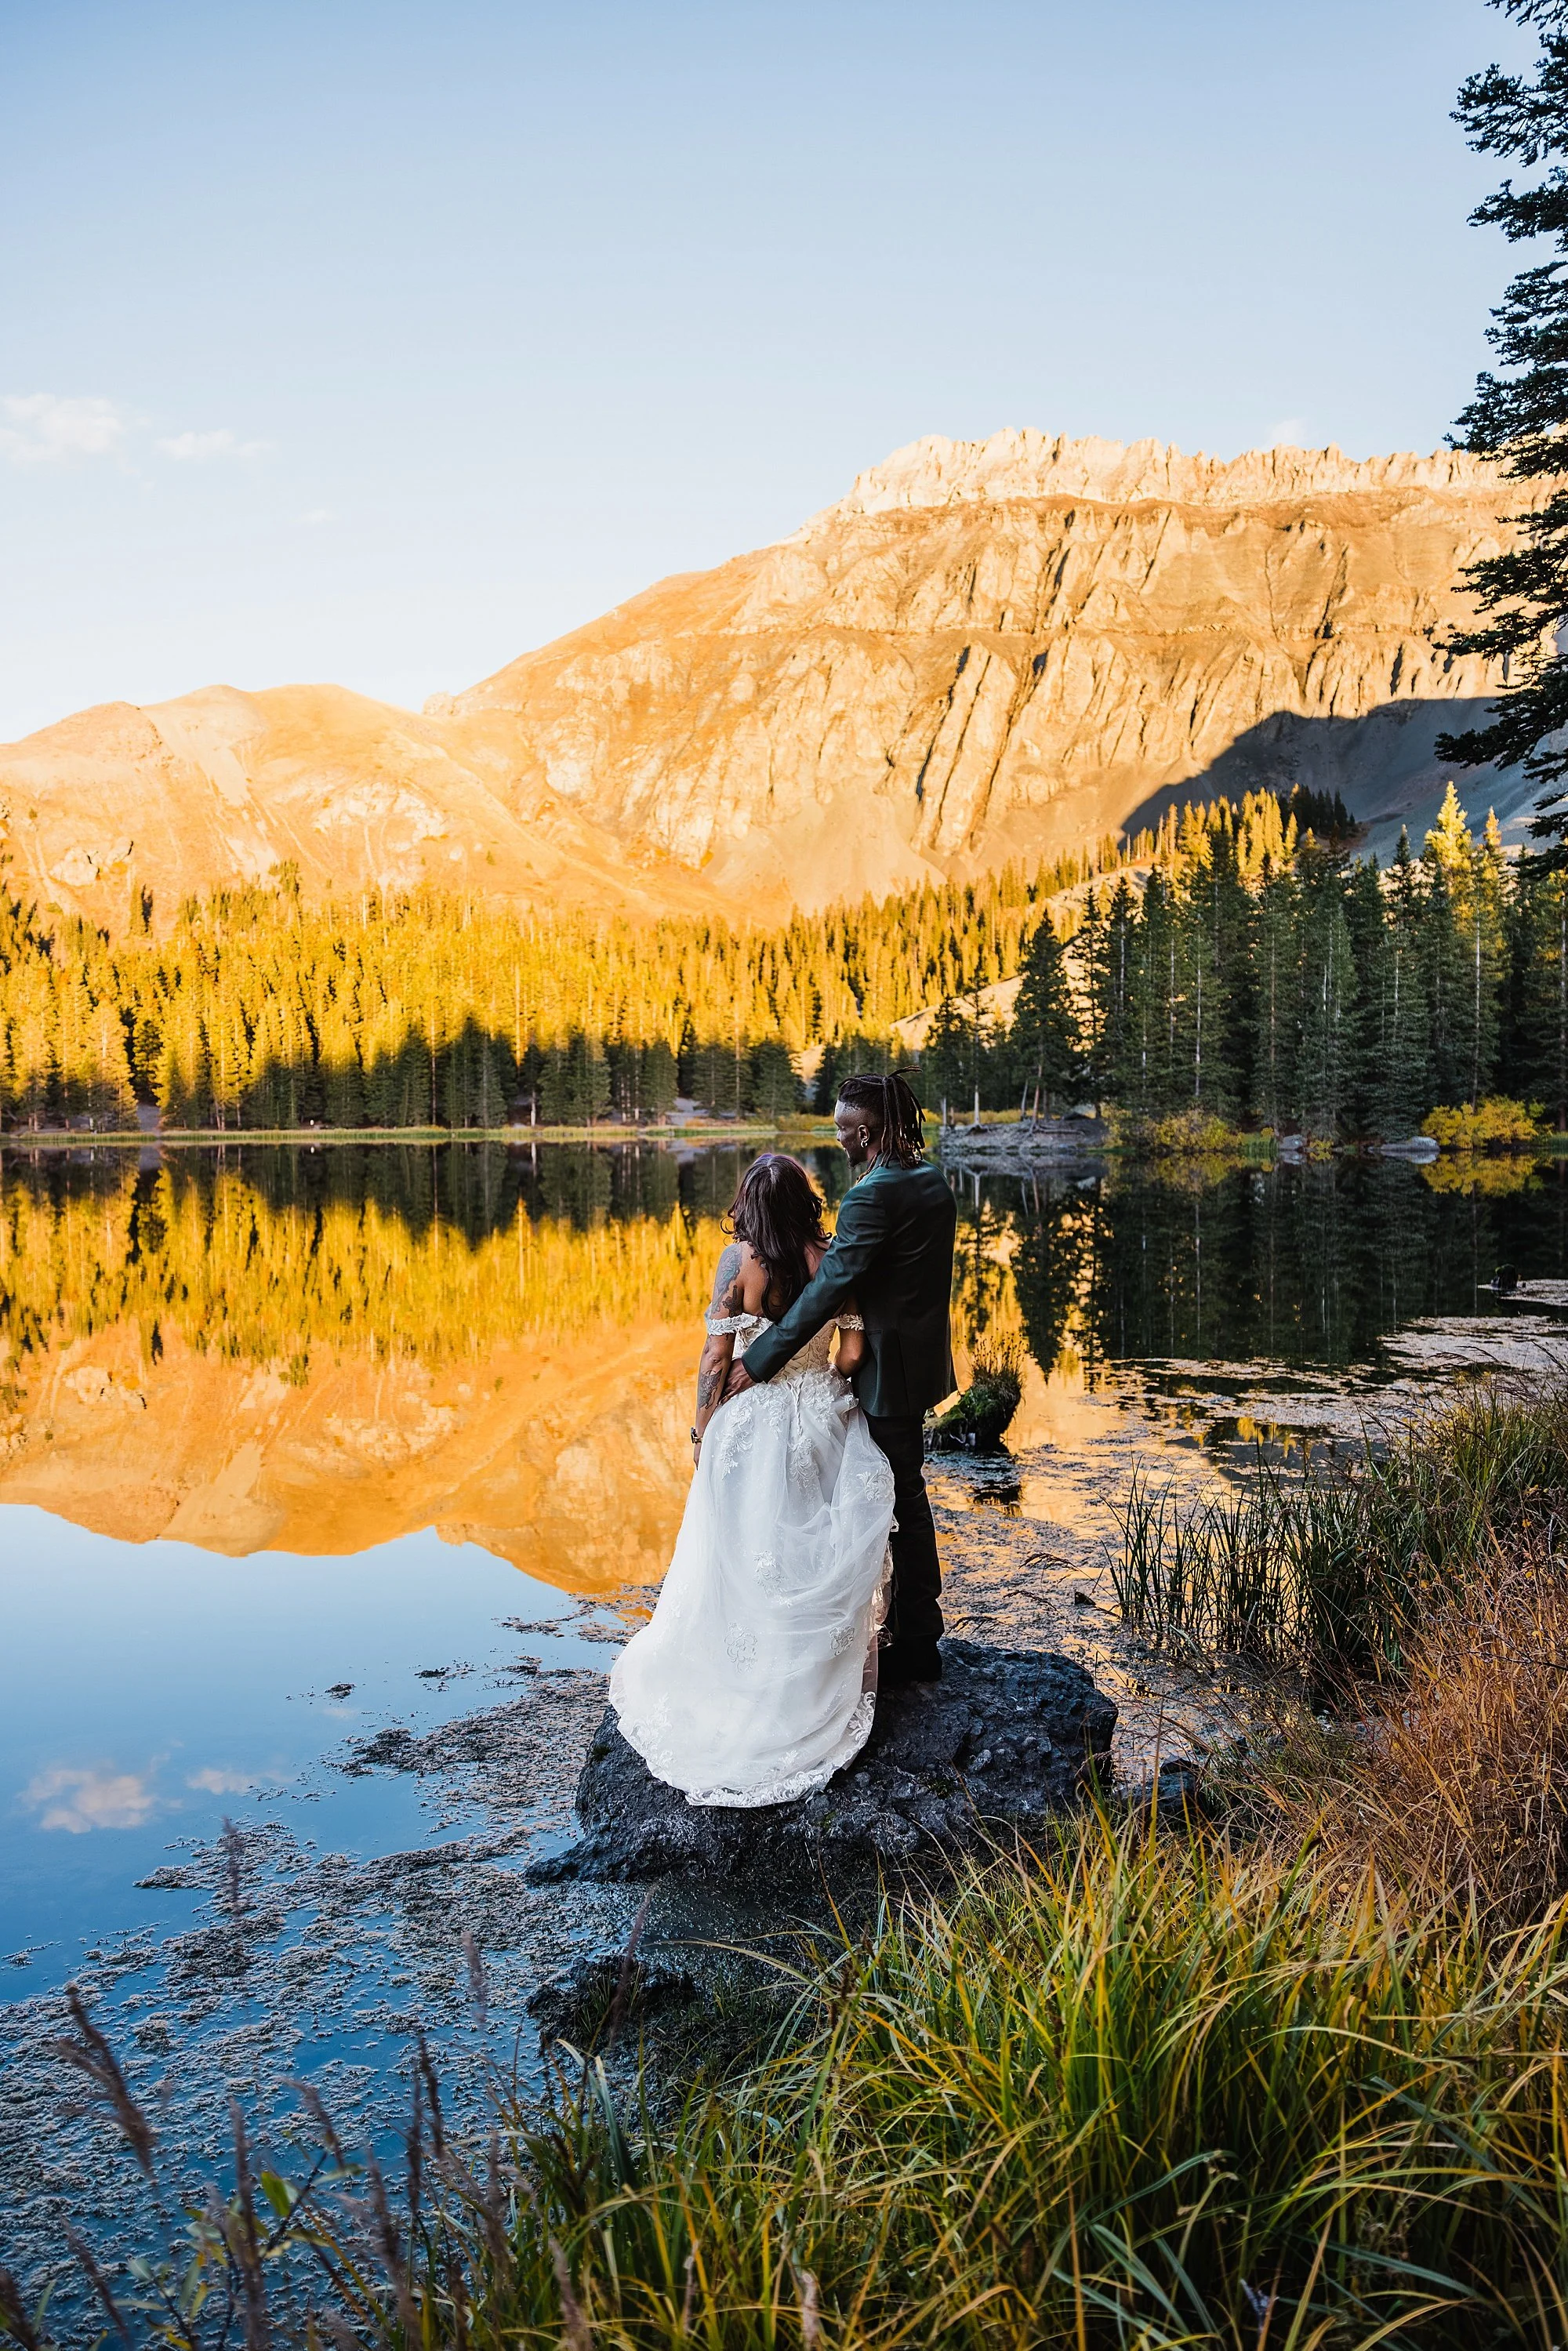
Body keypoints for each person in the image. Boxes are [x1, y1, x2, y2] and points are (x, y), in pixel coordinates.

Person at [609, 1152, 898, 1806]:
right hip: (822, 1414)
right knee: (810, 1548)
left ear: (749, 1205)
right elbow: (853, 1352)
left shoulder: (738, 1264)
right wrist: (822, 1378)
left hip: (753, 1421)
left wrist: (702, 1431)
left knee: (749, 1550)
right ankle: (810, 1680)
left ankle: (745, 1671)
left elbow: (716, 1357)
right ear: (804, 1200)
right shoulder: (833, 1259)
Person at [724, 1072, 956, 1685]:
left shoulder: (870, 1197)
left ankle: (918, 1640)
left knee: (896, 1499)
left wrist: (761, 1357)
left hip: (885, 1372)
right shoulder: (932, 1181)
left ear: (867, 1131)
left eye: (843, 1129)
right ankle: (909, 1627)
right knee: (903, 1493)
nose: (837, 1138)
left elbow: (828, 1289)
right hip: (922, 1362)